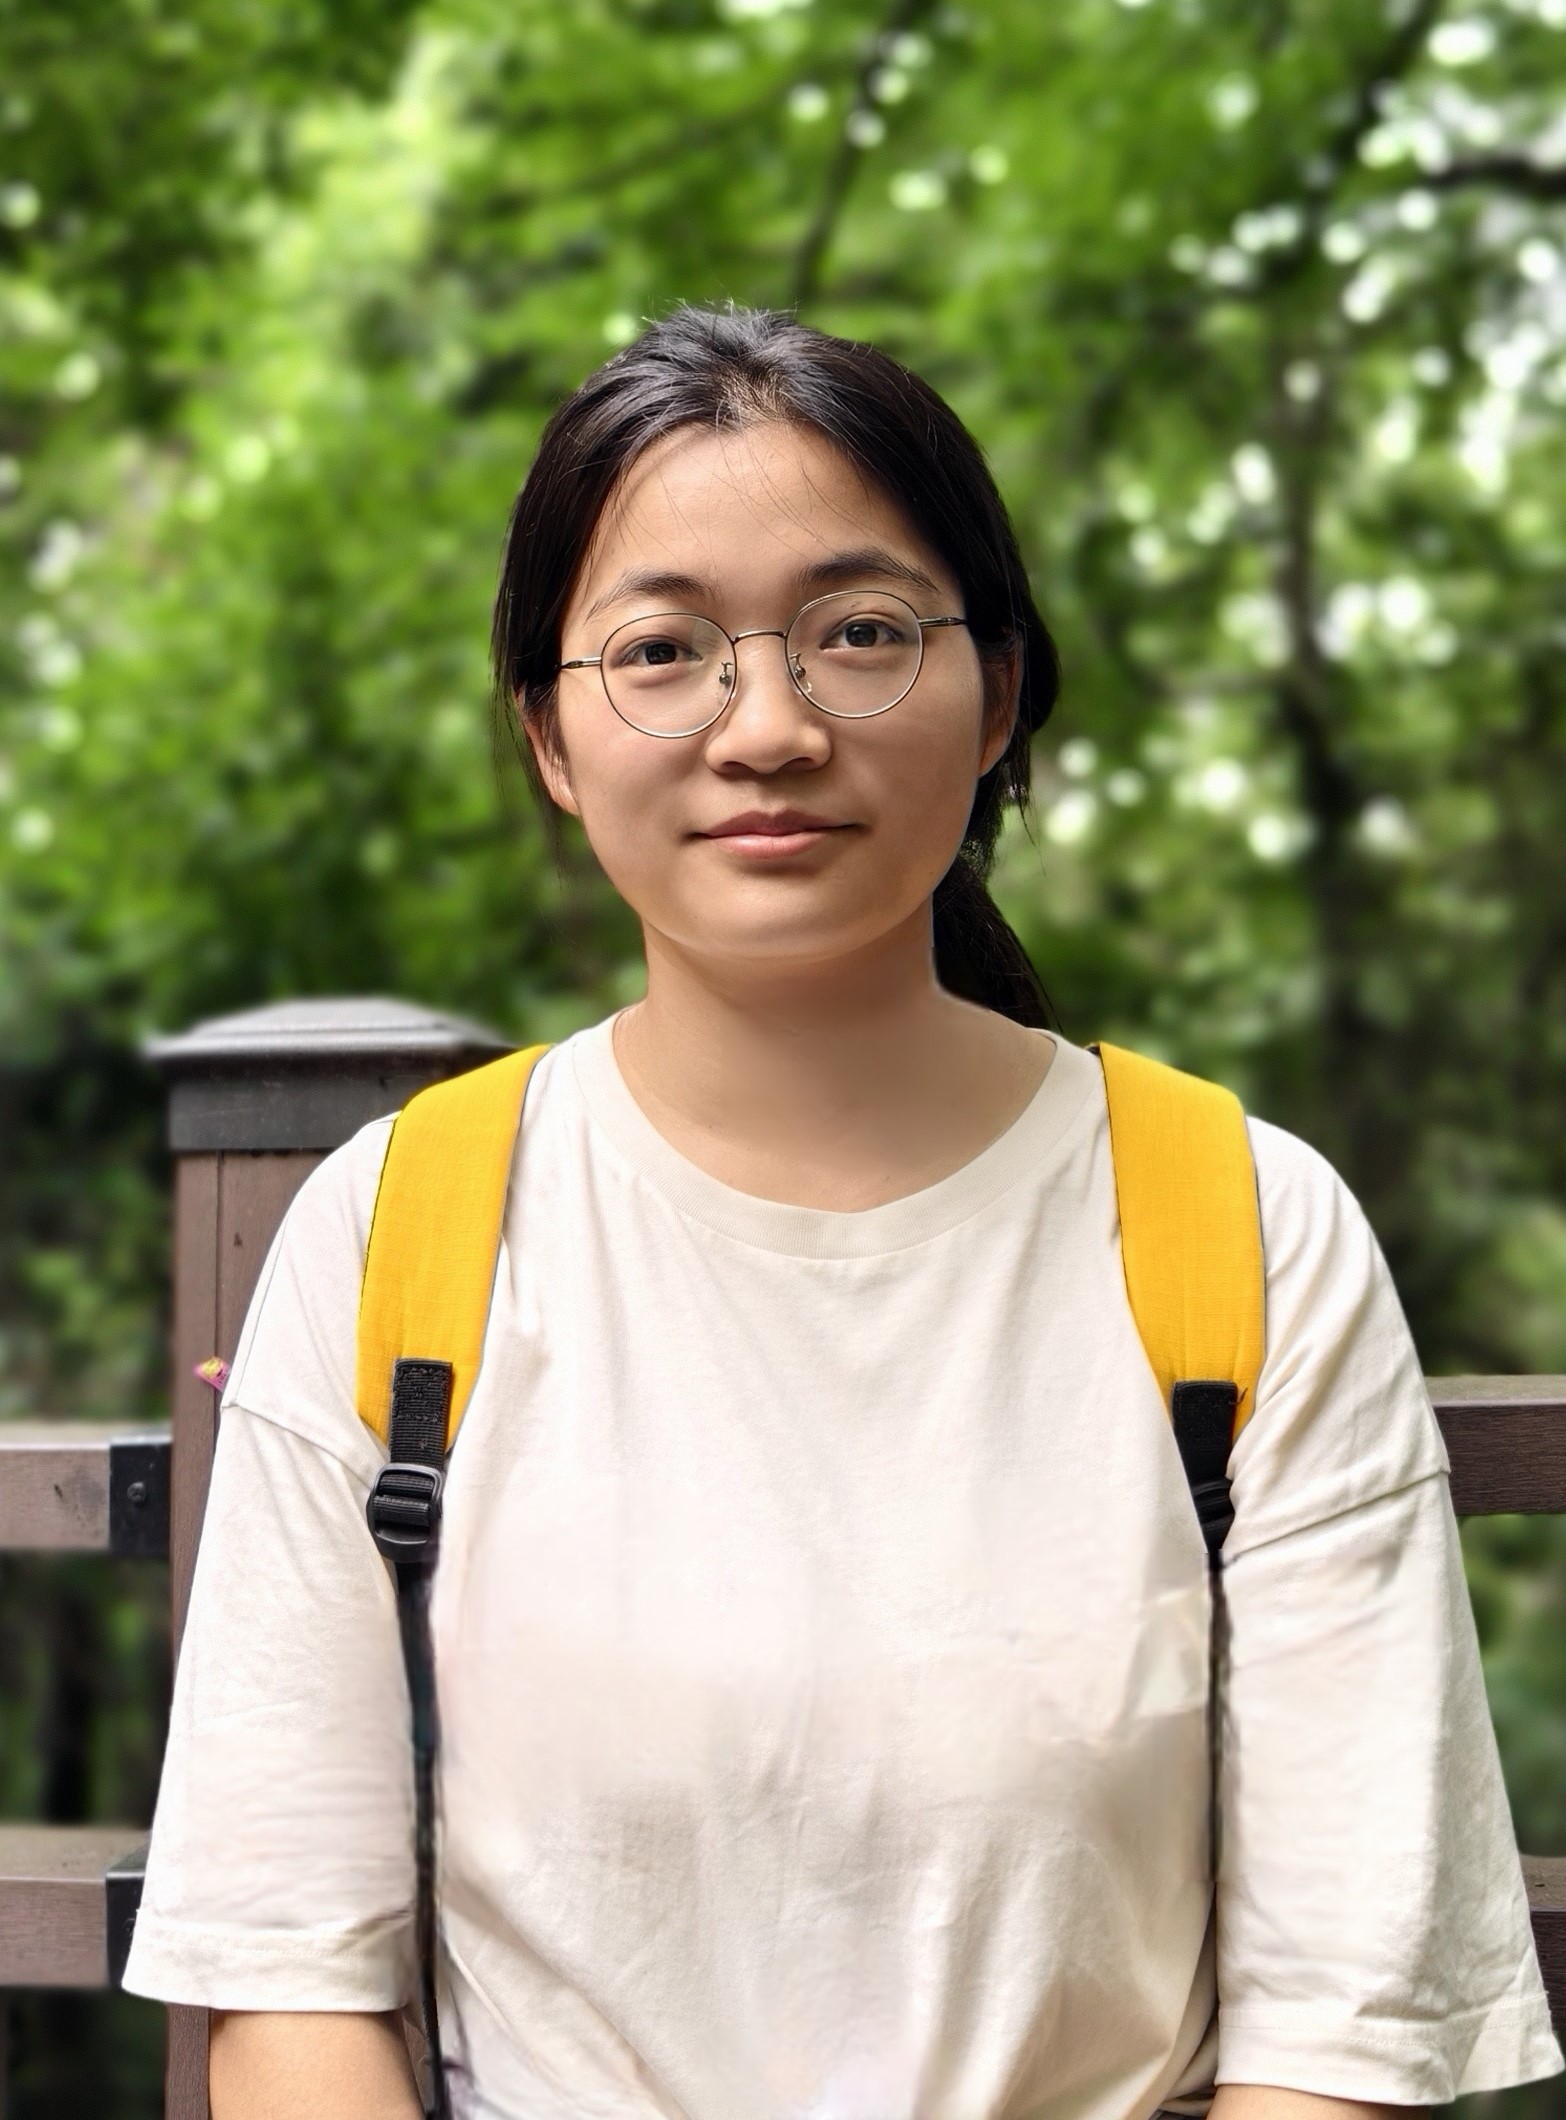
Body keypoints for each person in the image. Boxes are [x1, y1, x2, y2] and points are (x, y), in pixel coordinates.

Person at [123, 305, 1562, 2120]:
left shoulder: (1243, 1229)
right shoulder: (399, 1233)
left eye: (860, 634)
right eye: (661, 650)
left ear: (999, 694)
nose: (769, 728)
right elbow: (286, 1978)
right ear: (552, 736)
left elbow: (1345, 2026)